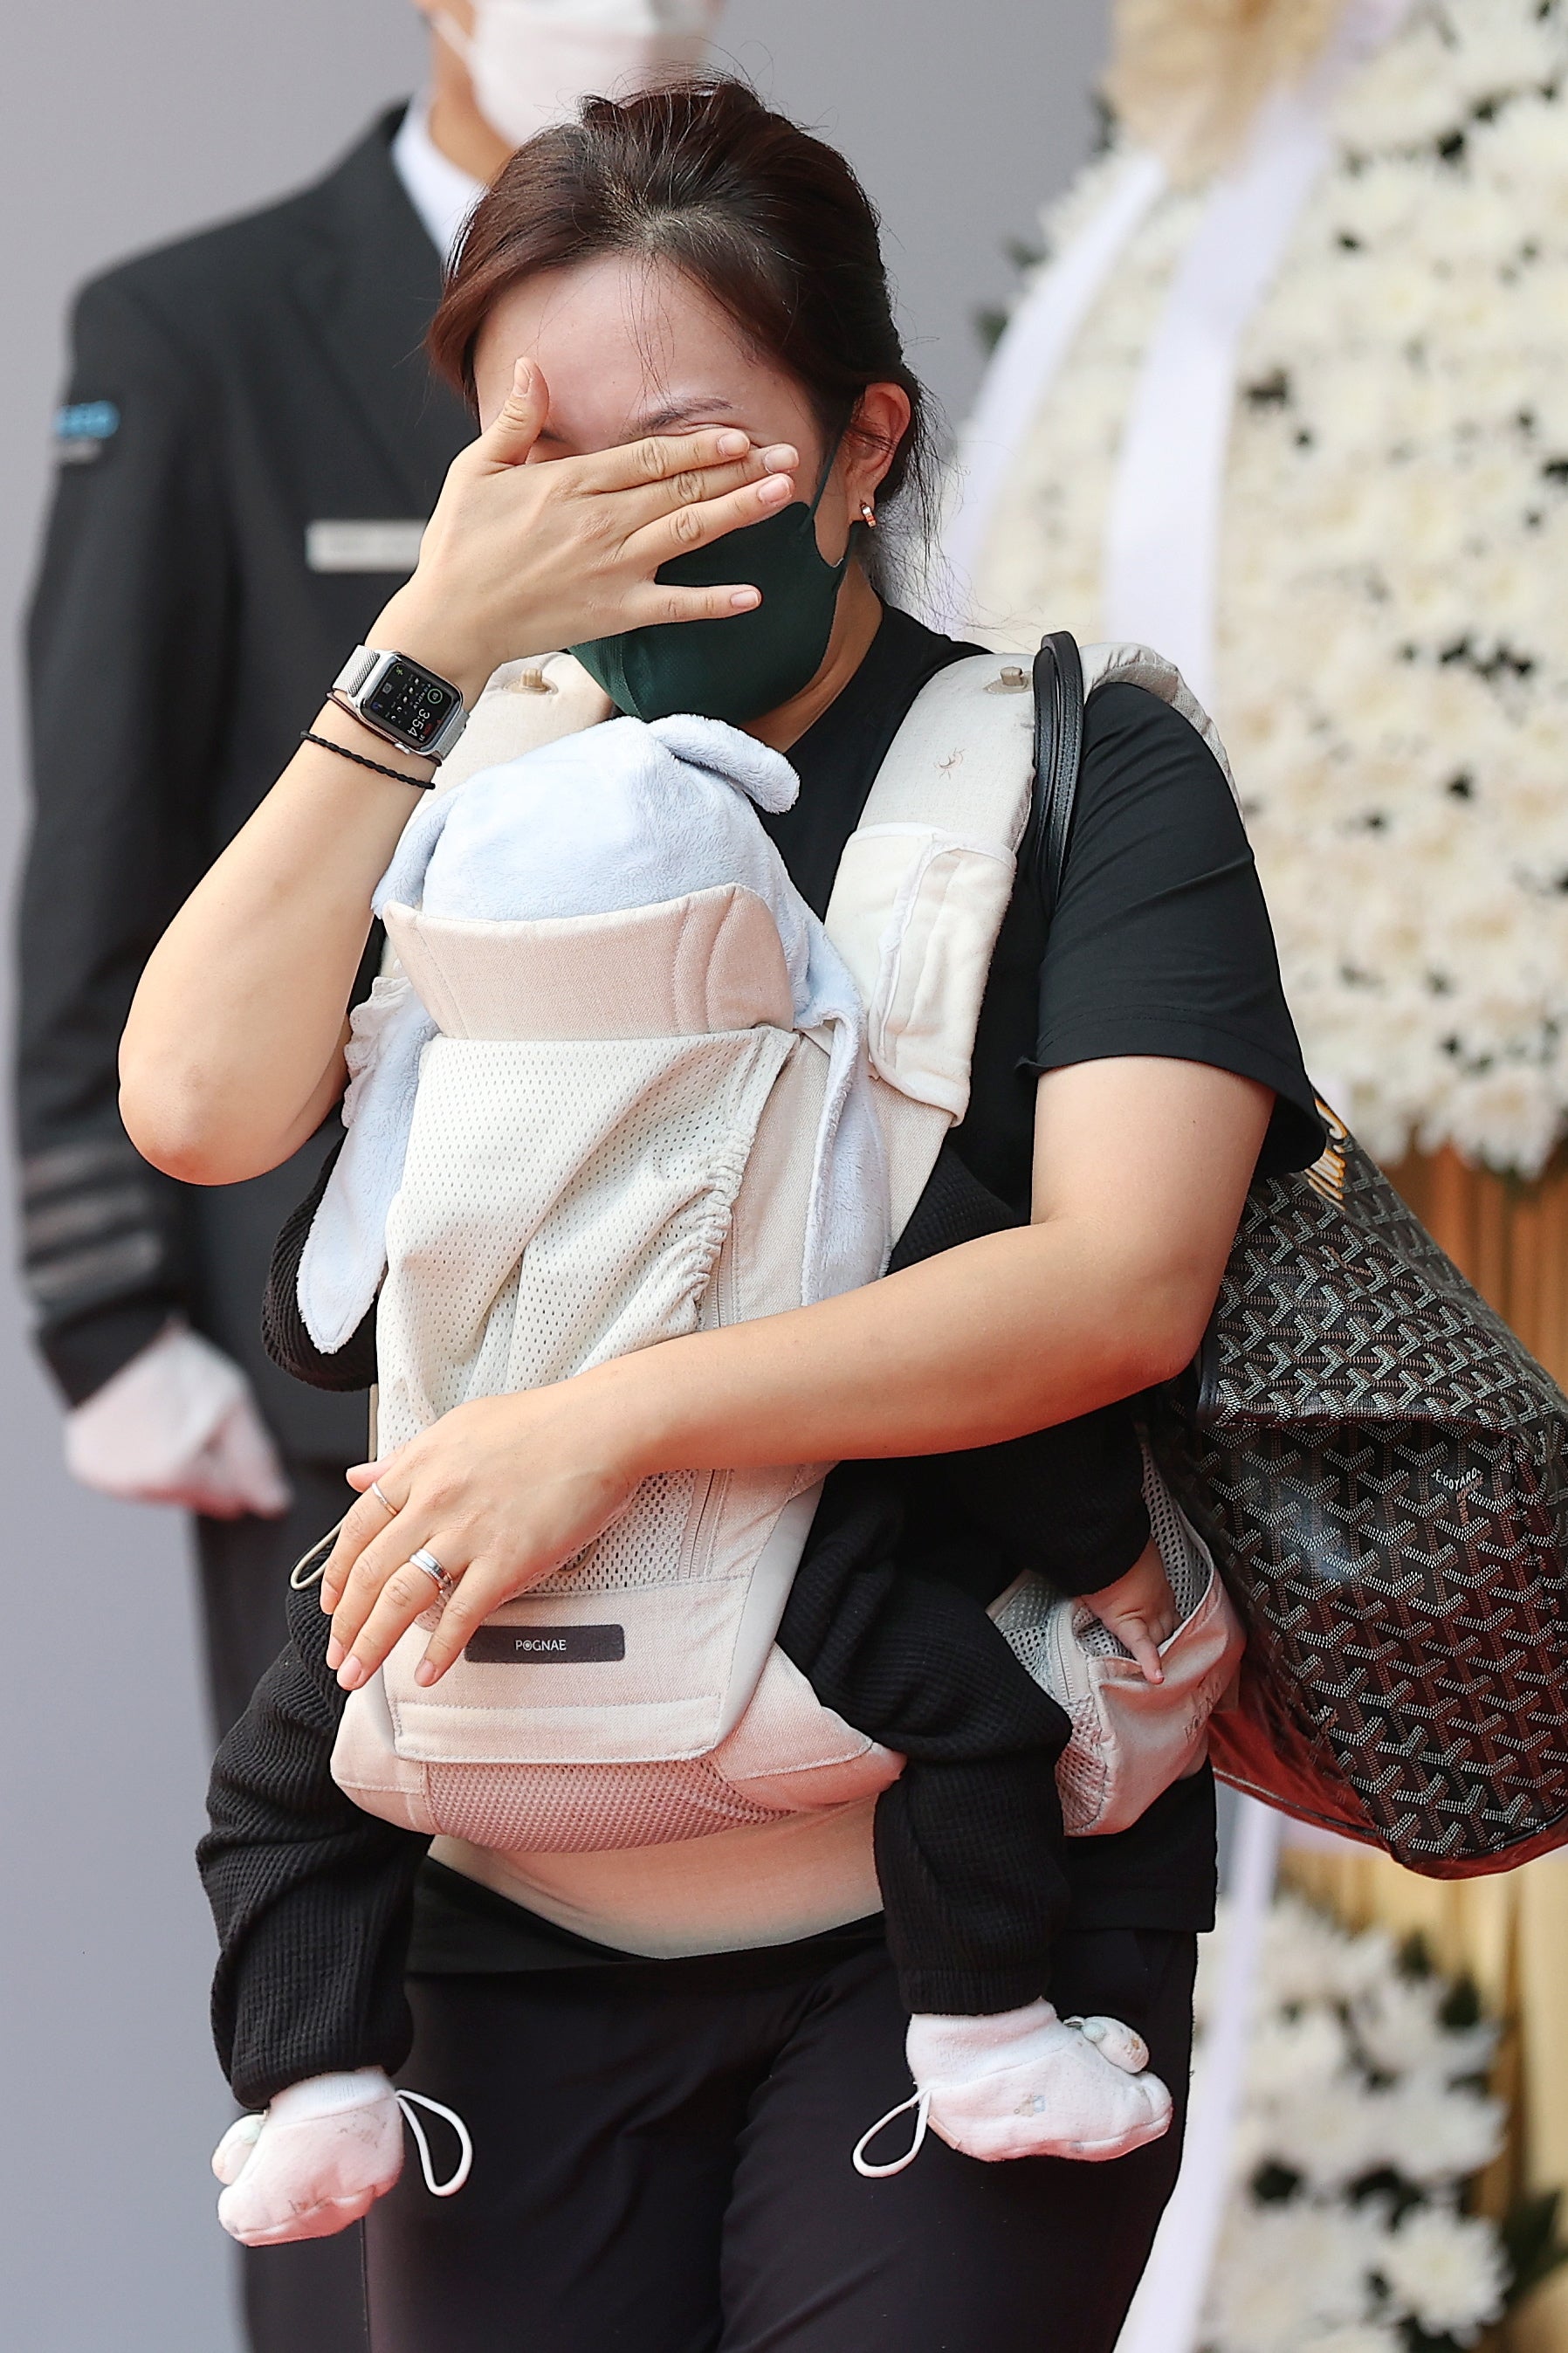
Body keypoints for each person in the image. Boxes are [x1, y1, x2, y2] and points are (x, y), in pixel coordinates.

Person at [123, 79, 1324, 2353]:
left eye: (687, 436)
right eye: (539, 447)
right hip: (513, 1864)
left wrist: (617, 1418)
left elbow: (1119, 1280)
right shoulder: (473, 790)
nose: (613, 505)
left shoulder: (1089, 774)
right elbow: (193, 1107)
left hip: (958, 1879)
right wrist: (422, 659)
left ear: (865, 445)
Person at [18, 8, 721, 2348]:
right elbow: (101, 835)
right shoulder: (199, 325)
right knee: (365, 2020)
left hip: (722, 1320)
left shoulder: (743, 295)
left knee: (714, 1969)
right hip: (345, 1332)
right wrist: (102, 1306)